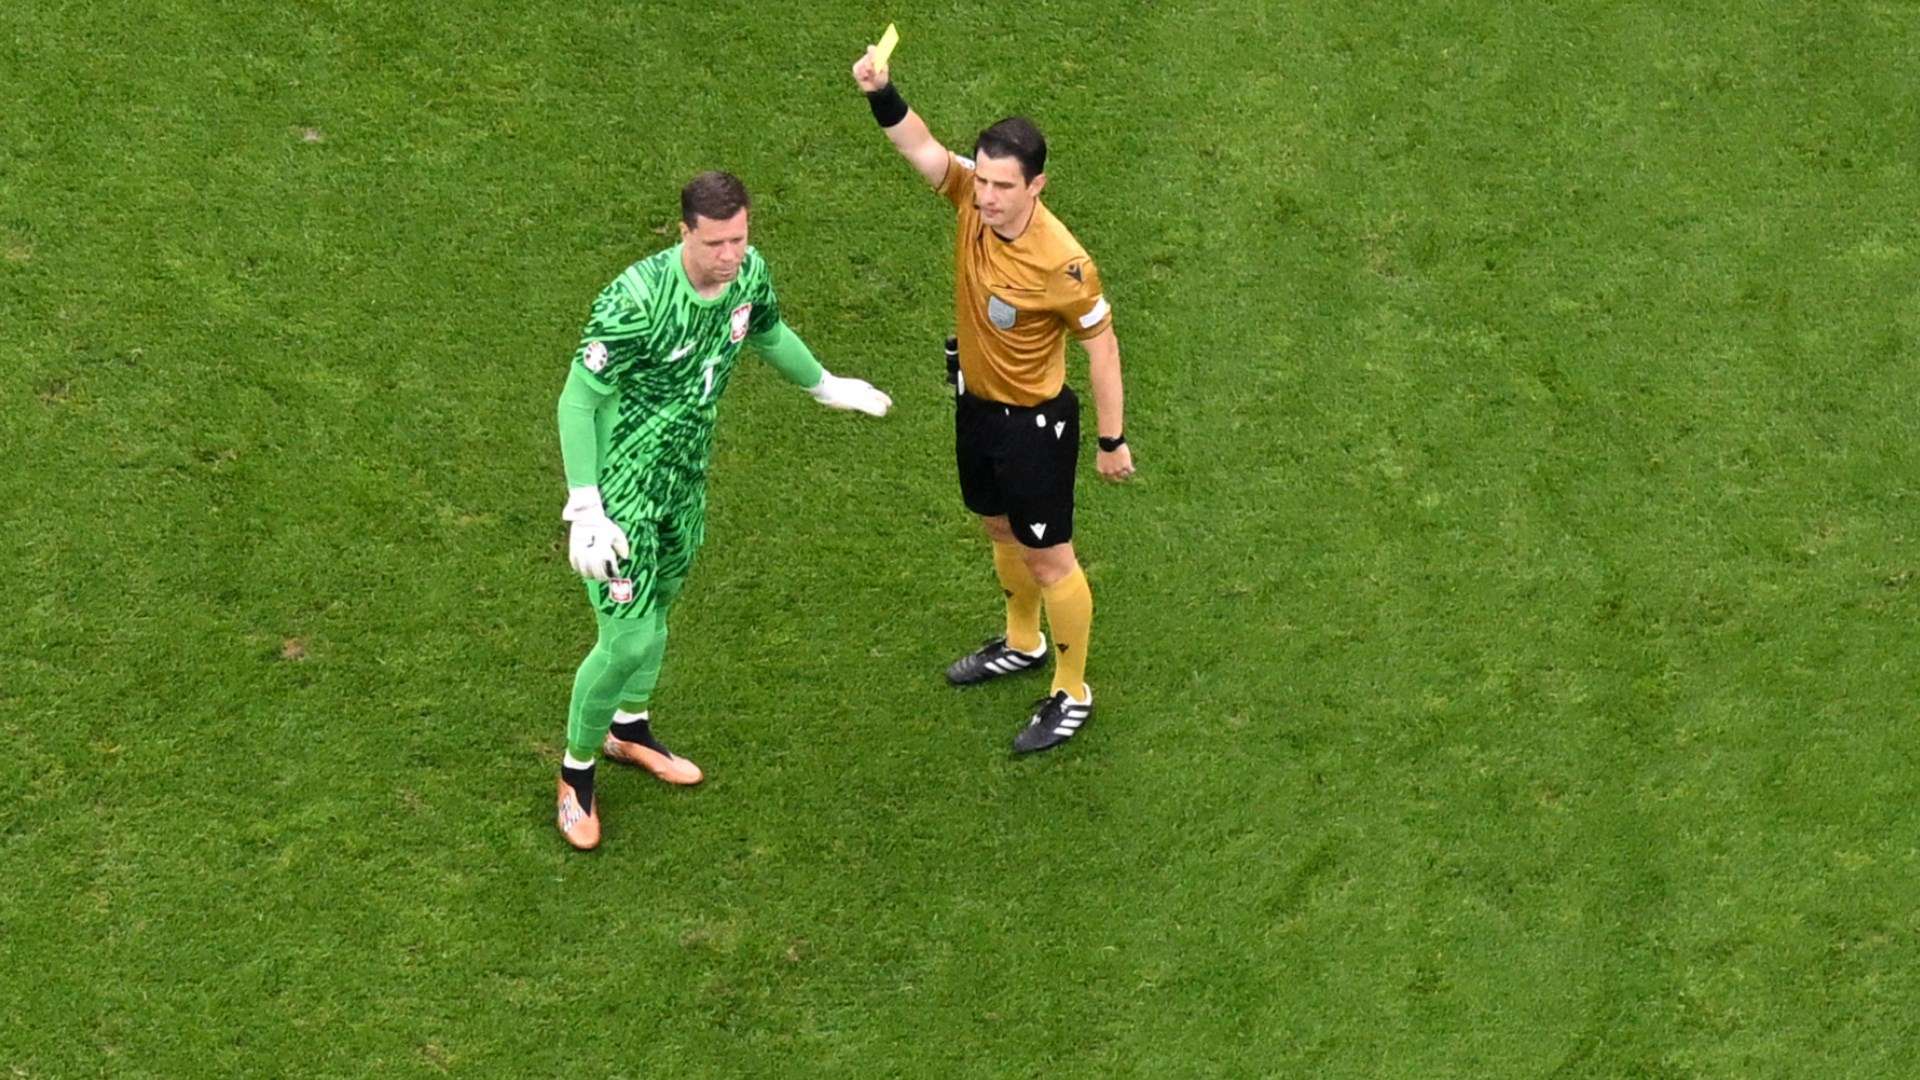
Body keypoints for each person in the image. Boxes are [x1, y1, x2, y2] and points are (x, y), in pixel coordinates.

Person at [553, 170, 892, 849]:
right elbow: (578, 399)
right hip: (625, 499)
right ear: (684, 233)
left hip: (685, 483)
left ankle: (629, 731)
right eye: (715, 243)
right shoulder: (635, 299)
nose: (729, 256)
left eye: (739, 239)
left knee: (660, 612)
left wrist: (825, 385)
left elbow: (766, 332)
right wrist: (586, 507)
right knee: (629, 639)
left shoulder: (748, 274)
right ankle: (575, 774)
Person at [851, 45, 1135, 754]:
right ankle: (1022, 642)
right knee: (998, 529)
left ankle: (1072, 690)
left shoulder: (1063, 263)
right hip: (976, 408)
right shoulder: (971, 198)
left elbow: (1102, 343)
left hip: (1034, 426)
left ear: (1037, 186)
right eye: (984, 181)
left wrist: (1111, 439)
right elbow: (920, 149)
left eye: (1004, 187)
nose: (987, 196)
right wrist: (881, 92)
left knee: (1051, 558)